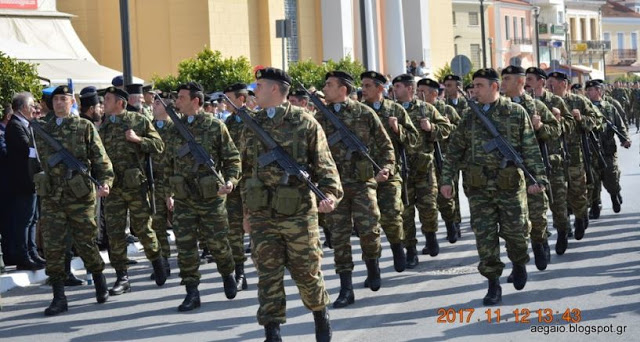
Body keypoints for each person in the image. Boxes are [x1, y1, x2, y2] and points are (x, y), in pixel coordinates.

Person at [241, 67, 343, 342]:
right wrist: (246, 213)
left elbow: (325, 166)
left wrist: (330, 194)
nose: (255, 91)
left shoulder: (305, 122)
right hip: (262, 212)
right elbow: (246, 171)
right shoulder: (252, 124)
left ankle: (320, 316)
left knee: (307, 271)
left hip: (298, 212)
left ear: (275, 89)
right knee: (267, 274)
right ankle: (271, 332)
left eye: (259, 85)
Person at [440, 68, 547, 306]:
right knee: (485, 239)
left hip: (510, 188)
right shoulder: (469, 117)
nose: (474, 90)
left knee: (517, 235)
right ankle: (493, 284)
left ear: (494, 87)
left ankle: (519, 263)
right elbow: (453, 152)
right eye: (473, 86)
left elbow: (530, 149)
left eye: (479, 85)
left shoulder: (515, 113)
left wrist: (537, 179)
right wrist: (446, 180)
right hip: (479, 191)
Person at [31, 85, 114, 316]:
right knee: (54, 246)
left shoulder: (84, 127)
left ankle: (98, 278)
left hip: (80, 196)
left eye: (63, 99)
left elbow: (101, 159)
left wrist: (105, 181)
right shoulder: (41, 129)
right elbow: (34, 161)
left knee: (86, 242)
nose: (59, 103)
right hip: (52, 197)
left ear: (72, 101)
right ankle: (59, 297)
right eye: (56, 99)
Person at [317, 70, 395, 308]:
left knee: (370, 231)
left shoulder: (365, 113)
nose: (325, 88)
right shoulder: (320, 118)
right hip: (334, 188)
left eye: (329, 85)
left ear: (343, 89)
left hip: (362, 185)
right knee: (339, 238)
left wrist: (387, 169)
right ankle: (346, 287)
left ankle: (373, 266)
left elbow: (386, 147)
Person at [164, 81, 240, 311]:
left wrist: (230, 181)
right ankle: (191, 292)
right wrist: (168, 192)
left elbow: (233, 159)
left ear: (196, 101)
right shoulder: (172, 129)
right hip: (184, 198)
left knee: (218, 244)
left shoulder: (215, 126)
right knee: (185, 247)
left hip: (211, 197)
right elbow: (167, 163)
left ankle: (227, 272)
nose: (177, 101)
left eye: (182, 97)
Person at [99, 86, 167, 295]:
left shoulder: (138, 121)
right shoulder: (103, 128)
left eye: (108, 99)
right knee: (115, 233)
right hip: (114, 188)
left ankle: (158, 263)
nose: (104, 103)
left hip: (136, 185)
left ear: (120, 102)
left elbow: (159, 145)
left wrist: (138, 140)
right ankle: (122, 277)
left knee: (143, 229)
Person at [501, 65, 560, 272]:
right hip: (508, 173)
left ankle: (540, 243)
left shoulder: (536, 106)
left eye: (507, 79)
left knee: (536, 215)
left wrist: (540, 127)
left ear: (519, 81)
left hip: (532, 169)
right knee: (513, 222)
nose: (502, 83)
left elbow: (556, 130)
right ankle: (519, 263)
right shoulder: (500, 108)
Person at [360, 71, 419, 274]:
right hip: (364, 175)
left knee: (392, 216)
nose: (363, 90)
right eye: (362, 86)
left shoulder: (395, 110)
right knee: (367, 224)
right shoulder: (358, 112)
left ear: (379, 89)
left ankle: (397, 248)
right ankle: (372, 267)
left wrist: (398, 130)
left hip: (390, 172)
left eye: (368, 86)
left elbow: (414, 140)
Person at [394, 75, 452, 267]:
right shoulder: (392, 110)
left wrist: (431, 128)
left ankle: (431, 236)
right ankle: (410, 249)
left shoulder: (425, 108)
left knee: (428, 207)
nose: (394, 90)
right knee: (406, 212)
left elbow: (446, 129)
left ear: (410, 89)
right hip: (402, 169)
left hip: (424, 168)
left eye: (398, 86)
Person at [525, 67, 575, 255]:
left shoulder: (555, 101)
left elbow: (568, 127)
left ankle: (562, 230)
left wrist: (557, 119)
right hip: (531, 163)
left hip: (552, 160)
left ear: (541, 81)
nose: (527, 81)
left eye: (530, 78)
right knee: (535, 209)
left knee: (558, 204)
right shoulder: (524, 104)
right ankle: (542, 240)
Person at [547, 71, 601, 241]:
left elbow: (597, 120)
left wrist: (581, 118)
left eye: (552, 82)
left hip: (575, 155)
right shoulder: (546, 103)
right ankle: (563, 228)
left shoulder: (579, 100)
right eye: (548, 82)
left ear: (563, 83)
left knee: (577, 192)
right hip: (553, 157)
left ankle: (580, 217)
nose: (549, 85)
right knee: (557, 197)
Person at [416, 78, 461, 246]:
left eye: (423, 91)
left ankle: (451, 223)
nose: (419, 94)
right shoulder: (418, 110)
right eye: (417, 91)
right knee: (428, 202)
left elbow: (460, 130)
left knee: (446, 198)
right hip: (425, 162)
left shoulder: (446, 109)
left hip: (444, 158)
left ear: (434, 93)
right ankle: (430, 238)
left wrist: (443, 127)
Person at [5, 92, 45, 270]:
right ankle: (23, 255)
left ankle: (32, 252)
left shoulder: (27, 125)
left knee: (33, 217)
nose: (34, 109)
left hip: (31, 180)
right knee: (25, 219)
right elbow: (26, 148)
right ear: (22, 108)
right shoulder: (15, 125)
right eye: (31, 106)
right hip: (22, 181)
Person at [222, 82, 253, 291]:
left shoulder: (256, 121)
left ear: (241, 99)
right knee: (234, 231)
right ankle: (240, 271)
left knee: (258, 229)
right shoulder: (228, 123)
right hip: (234, 184)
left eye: (228, 99)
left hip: (254, 185)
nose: (224, 104)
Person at [584, 80, 631, 214]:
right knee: (592, 180)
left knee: (611, 177)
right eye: (587, 90)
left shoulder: (610, 107)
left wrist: (625, 139)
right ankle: (595, 206)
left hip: (608, 149)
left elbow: (620, 125)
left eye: (591, 90)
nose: (588, 92)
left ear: (599, 91)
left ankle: (614, 195)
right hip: (591, 150)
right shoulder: (585, 108)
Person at [149, 92, 175, 280]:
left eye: (158, 103)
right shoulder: (147, 126)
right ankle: (163, 260)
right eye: (154, 102)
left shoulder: (176, 129)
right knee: (157, 223)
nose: (154, 105)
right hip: (154, 181)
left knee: (181, 224)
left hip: (174, 181)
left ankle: (190, 260)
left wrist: (171, 192)